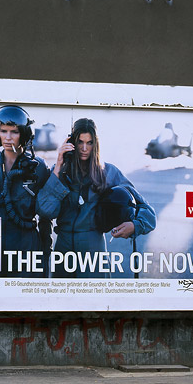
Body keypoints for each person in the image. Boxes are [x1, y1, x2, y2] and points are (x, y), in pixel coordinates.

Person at [38, 117, 156, 278]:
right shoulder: (59, 172)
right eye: (80, 142)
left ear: (96, 144)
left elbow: (148, 211)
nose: (84, 148)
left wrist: (135, 225)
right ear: (72, 142)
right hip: (63, 248)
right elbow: (45, 210)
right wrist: (59, 165)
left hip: (93, 248)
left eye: (90, 143)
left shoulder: (108, 172)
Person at [0, 105, 51, 277]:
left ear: (24, 134)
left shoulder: (39, 168)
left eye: (14, 132)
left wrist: (44, 254)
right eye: (3, 131)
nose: (8, 137)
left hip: (26, 247)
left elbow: (45, 217)